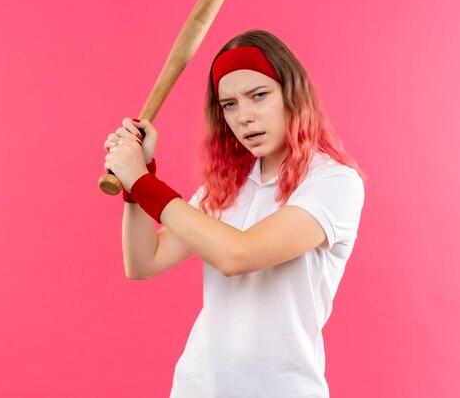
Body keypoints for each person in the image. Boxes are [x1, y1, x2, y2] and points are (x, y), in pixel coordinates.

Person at [102, 29, 366, 397]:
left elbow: (237, 254)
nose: (244, 116)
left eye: (259, 96)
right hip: (198, 386)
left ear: (293, 95)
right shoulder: (226, 187)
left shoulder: (334, 182)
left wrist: (144, 183)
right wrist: (135, 188)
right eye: (229, 104)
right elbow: (143, 261)